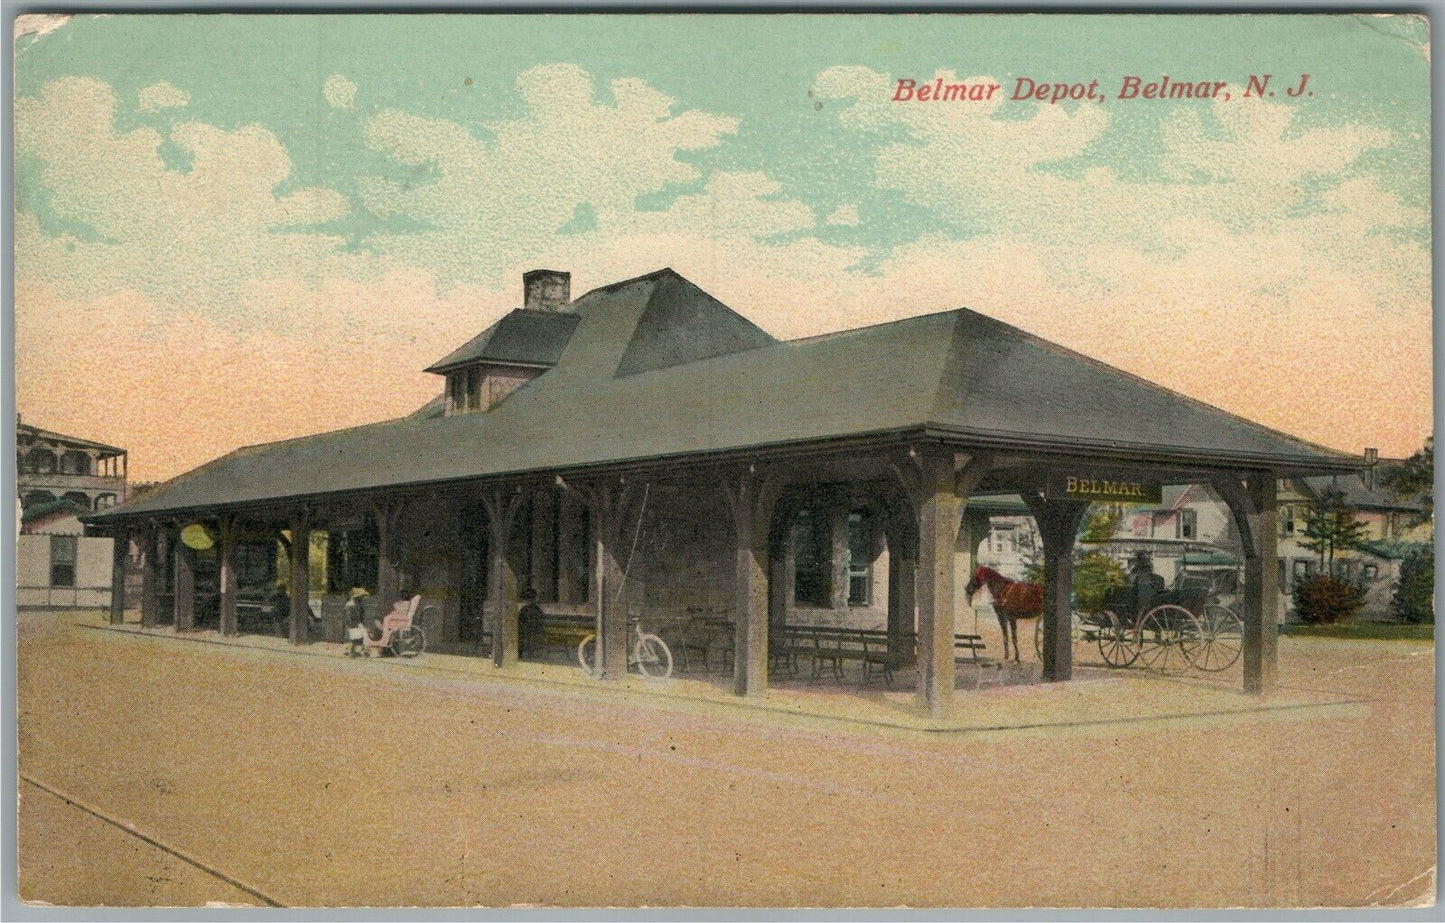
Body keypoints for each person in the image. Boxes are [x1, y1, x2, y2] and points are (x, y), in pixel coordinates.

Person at [518, 589, 545, 659]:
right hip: (534, 629)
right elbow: (541, 619)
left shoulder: (525, 609)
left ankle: (519, 651)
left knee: (519, 634)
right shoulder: (537, 609)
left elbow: (520, 619)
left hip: (527, 629)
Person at [344, 588, 369, 657]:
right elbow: (348, 617)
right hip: (352, 624)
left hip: (358, 623)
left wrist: (360, 623)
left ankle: (364, 650)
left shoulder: (359, 604)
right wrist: (354, 624)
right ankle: (351, 651)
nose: (362, 598)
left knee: (364, 634)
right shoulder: (350, 605)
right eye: (361, 597)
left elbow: (361, 615)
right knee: (354, 638)